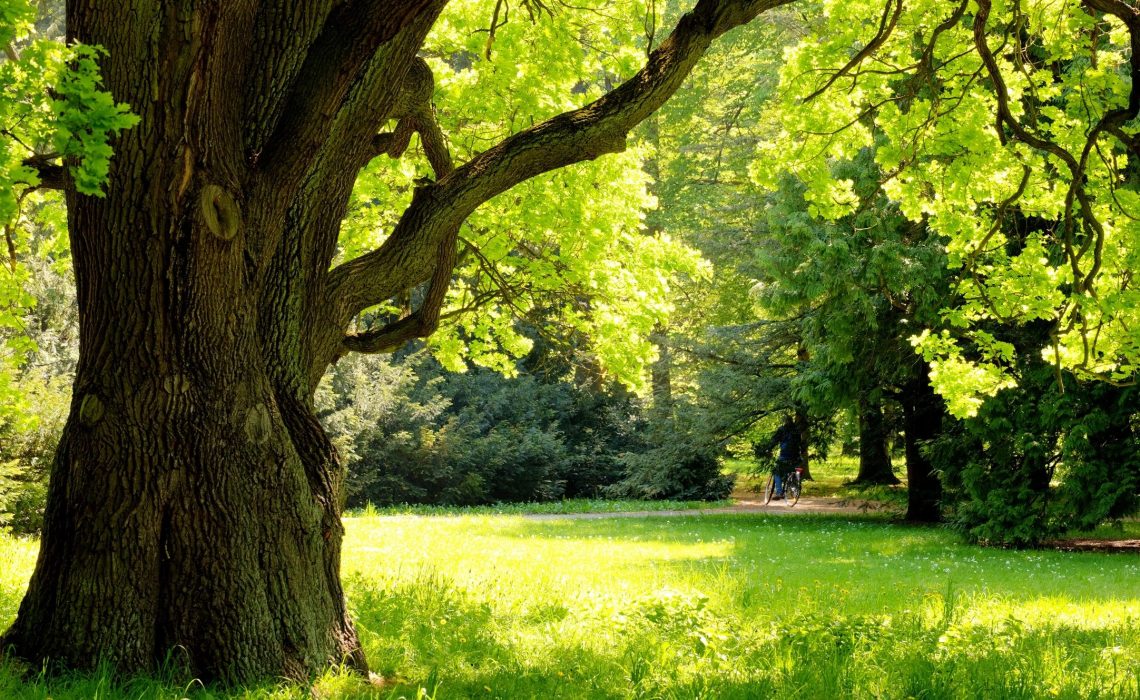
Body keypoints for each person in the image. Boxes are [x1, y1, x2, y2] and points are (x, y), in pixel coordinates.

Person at [754, 415, 801, 498]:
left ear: (784, 421)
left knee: (777, 472)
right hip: (796, 457)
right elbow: (800, 444)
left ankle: (779, 492)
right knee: (793, 469)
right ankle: (793, 485)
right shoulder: (797, 431)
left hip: (785, 456)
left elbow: (774, 440)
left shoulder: (782, 430)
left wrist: (768, 449)